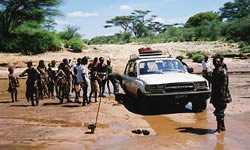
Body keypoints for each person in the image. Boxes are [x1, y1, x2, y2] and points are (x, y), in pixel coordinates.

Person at [210, 56, 232, 133]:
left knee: (219, 112)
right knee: (219, 112)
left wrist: (221, 96)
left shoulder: (223, 71)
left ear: (221, 62)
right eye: (215, 61)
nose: (216, 63)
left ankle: (219, 128)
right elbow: (213, 81)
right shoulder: (215, 70)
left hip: (221, 95)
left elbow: (224, 85)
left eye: (218, 61)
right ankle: (222, 126)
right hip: (215, 94)